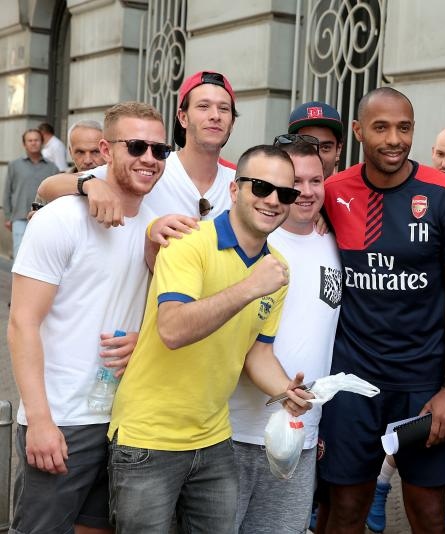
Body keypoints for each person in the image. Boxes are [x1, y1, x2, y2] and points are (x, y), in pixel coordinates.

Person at [107, 145, 312, 533]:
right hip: (150, 436)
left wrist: (288, 391)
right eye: (262, 188)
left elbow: (258, 353)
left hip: (215, 438)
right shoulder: (190, 243)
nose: (273, 200)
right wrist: (250, 287)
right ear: (235, 190)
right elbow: (172, 330)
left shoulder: (276, 268)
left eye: (285, 194)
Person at [318, 87, 445, 534]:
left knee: (429, 513)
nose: (394, 139)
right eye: (381, 127)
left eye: (404, 127)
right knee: (345, 509)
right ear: (358, 132)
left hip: (423, 385)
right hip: (352, 381)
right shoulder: (332, 192)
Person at [7, 101, 169, 534]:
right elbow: (22, 322)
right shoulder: (61, 219)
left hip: (124, 421)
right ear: (106, 149)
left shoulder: (157, 229)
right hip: (62, 420)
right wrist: (39, 420)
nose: (149, 159)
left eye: (160, 150)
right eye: (136, 146)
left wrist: (143, 340)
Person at [229, 138, 342, 533]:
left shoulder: (336, 244)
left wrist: (317, 427)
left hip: (299, 437)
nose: (307, 192)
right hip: (234, 432)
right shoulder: (254, 242)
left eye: (317, 180)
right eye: (296, 182)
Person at [37, 70, 239, 226]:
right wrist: (90, 184)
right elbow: (47, 187)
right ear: (183, 117)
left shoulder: (243, 182)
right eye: (203, 106)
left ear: (232, 122)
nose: (215, 116)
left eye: (224, 108)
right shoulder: (151, 166)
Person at [3, 129, 59, 256]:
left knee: (40, 256)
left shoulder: (52, 167)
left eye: (36, 140)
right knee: (19, 255)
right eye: (30, 140)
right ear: (24, 144)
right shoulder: (14, 165)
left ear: (42, 143)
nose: (33, 143)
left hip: (44, 218)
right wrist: (7, 216)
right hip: (19, 217)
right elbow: (7, 191)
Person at [288, 100, 344, 178]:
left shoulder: (349, 189)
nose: (317, 157)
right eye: (307, 147)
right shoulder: (277, 188)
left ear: (338, 149)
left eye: (325, 148)